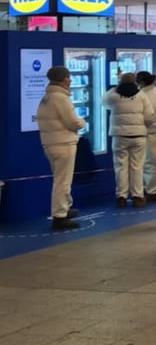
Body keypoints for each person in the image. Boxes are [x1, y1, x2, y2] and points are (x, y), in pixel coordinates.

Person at [36, 66, 86, 229]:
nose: (71, 80)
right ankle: (60, 216)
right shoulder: (61, 98)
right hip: (64, 143)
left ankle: (64, 207)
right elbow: (73, 122)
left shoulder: (47, 97)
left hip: (50, 142)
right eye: (69, 78)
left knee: (60, 178)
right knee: (63, 181)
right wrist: (82, 122)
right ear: (65, 80)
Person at [104, 72, 156, 208]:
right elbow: (150, 116)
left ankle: (121, 197)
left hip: (119, 137)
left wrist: (115, 87)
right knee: (137, 167)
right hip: (138, 137)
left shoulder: (113, 95)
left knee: (120, 167)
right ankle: (137, 196)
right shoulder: (141, 95)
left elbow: (103, 102)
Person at [136, 71, 156, 203]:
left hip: (149, 133)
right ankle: (150, 190)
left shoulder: (148, 95)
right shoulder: (152, 92)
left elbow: (148, 116)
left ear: (141, 82)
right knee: (148, 162)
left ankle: (152, 191)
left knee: (148, 162)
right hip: (151, 132)